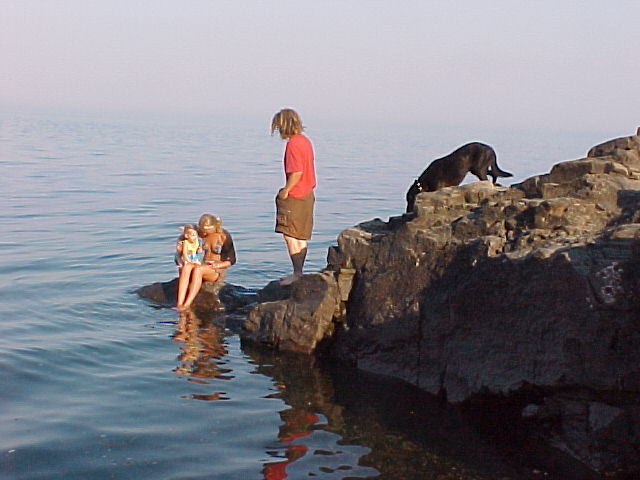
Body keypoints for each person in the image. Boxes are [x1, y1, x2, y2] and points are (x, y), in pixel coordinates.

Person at [271, 108, 316, 286]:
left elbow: (297, 172)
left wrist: (286, 190)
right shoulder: (305, 141)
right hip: (307, 193)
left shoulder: (293, 144)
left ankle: (297, 273)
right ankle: (299, 271)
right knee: (300, 235)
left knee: (290, 234)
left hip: (296, 194)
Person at [176, 213, 236, 310]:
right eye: (202, 231)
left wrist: (218, 265)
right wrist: (180, 244)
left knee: (198, 270)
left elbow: (232, 260)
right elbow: (186, 234)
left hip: (216, 270)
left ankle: (187, 304)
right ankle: (179, 303)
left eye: (206, 231)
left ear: (214, 227)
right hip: (203, 264)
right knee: (187, 267)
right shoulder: (202, 233)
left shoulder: (223, 236)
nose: (204, 234)